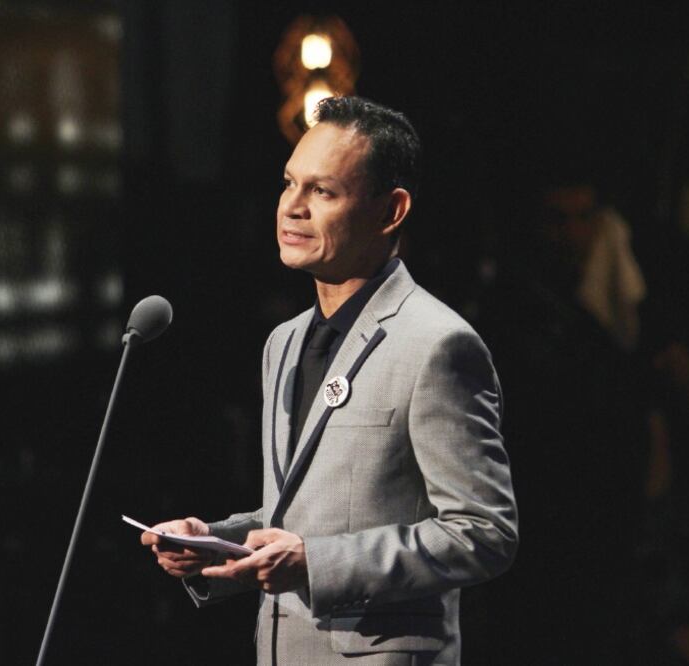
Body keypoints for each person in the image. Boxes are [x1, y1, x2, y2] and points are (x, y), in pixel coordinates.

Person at [141, 96, 518, 665]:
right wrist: (214, 541)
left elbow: (483, 532)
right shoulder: (284, 342)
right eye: (289, 183)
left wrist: (317, 563)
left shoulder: (438, 345)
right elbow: (299, 521)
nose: (292, 208)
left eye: (323, 192)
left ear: (391, 211)